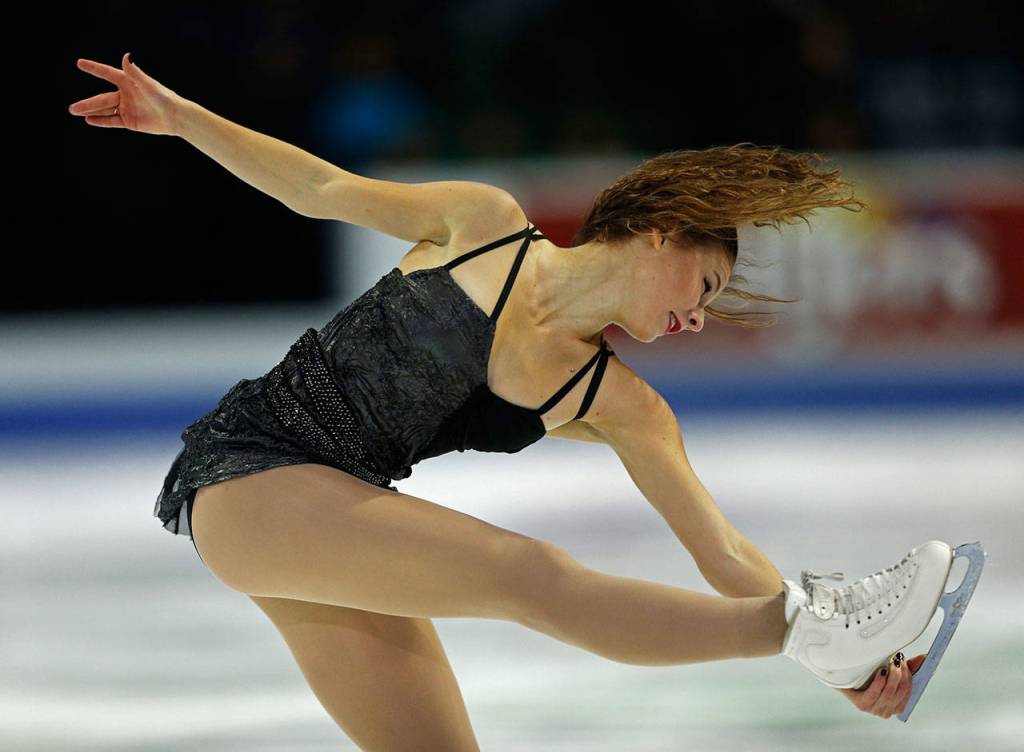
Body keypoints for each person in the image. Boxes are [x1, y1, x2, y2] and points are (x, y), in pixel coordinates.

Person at [70, 52, 928, 747]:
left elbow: (723, 554)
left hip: (328, 519)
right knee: (529, 572)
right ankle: (806, 628)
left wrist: (846, 674)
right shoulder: (482, 222)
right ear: (662, 229)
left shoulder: (620, 404)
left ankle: (813, 632)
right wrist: (182, 119)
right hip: (250, 473)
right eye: (702, 284)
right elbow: (319, 190)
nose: (698, 318)